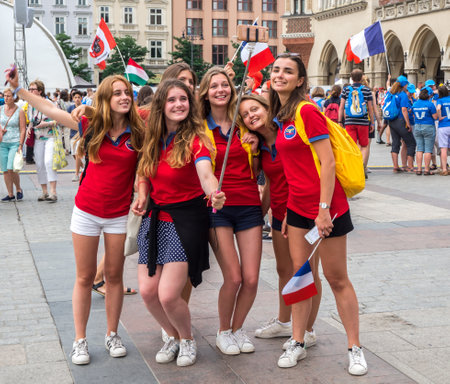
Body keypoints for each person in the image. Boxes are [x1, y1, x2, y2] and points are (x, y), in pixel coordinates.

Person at [6, 68, 145, 366]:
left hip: (119, 216)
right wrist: (18, 90)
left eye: (127, 93)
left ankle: (112, 334)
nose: (124, 97)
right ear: (106, 98)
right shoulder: (89, 124)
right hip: (86, 213)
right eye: (117, 93)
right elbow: (49, 109)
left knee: (115, 277)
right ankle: (79, 340)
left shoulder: (139, 133)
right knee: (83, 277)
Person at [268, 53, 366, 375]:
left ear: (300, 80)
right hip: (296, 209)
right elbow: (295, 169)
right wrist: (286, 214)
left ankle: (354, 348)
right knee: (302, 277)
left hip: (328, 209)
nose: (280, 75)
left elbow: (328, 163)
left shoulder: (306, 111)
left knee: (337, 279)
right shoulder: (282, 115)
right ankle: (299, 340)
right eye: (276, 70)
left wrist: (323, 211)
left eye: (288, 71)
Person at [132, 79, 225, 367]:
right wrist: (143, 193)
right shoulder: (152, 137)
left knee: (169, 295)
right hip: (155, 220)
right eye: (171, 100)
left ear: (191, 103)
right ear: (162, 105)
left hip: (185, 222)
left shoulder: (197, 138)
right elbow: (144, 170)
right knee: (148, 293)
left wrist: (214, 192)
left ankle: (186, 339)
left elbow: (205, 172)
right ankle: (173, 336)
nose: (178, 104)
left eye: (183, 99)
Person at [238, 94, 321, 350]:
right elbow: (271, 183)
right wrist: (260, 213)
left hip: (304, 212)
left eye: (255, 109)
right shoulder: (262, 145)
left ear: (266, 108)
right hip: (280, 214)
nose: (251, 115)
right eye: (245, 115)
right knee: (284, 270)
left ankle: (307, 328)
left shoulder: (289, 132)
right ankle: (285, 322)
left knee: (306, 271)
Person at [198, 67, 263, 356]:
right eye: (214, 86)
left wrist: (257, 145)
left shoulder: (245, 124)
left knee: (251, 278)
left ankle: (237, 328)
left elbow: (261, 166)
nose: (220, 90)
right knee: (234, 277)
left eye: (225, 85)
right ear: (206, 92)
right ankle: (223, 330)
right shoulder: (199, 127)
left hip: (249, 204)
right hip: (218, 207)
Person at [338, 69, 378, 178]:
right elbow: (370, 108)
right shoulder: (366, 90)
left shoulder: (346, 90)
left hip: (350, 121)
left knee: (352, 145)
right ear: (361, 78)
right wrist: (372, 123)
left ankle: (353, 168)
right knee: (364, 146)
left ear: (351, 78)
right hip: (363, 122)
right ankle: (362, 167)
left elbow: (341, 107)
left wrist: (340, 121)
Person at [26, 80, 60, 201]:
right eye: (29, 89)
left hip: (50, 136)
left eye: (33, 89)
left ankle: (53, 192)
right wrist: (29, 128)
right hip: (38, 138)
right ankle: (44, 191)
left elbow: (58, 120)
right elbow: (31, 120)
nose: (30, 91)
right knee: (39, 164)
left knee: (48, 162)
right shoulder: (30, 104)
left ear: (40, 91)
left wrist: (46, 123)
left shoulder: (49, 103)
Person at [385, 76, 416, 173]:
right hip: (400, 120)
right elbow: (404, 110)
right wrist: (408, 124)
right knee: (411, 143)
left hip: (391, 121)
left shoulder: (390, 93)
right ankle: (410, 167)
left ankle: (395, 166)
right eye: (406, 84)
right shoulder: (403, 95)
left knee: (395, 143)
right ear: (404, 85)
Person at [0, 88, 26, 201]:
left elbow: (23, 129)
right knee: (5, 170)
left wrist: (20, 144)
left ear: (14, 97)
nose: (5, 98)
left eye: (8, 96)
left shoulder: (19, 111)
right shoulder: (0, 109)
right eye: (4, 96)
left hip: (15, 142)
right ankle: (10, 194)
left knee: (11, 168)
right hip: (2, 143)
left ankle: (19, 189)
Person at [412, 87, 438, 175]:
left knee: (419, 148)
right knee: (428, 149)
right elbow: (435, 117)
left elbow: (413, 115)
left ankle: (419, 169)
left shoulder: (415, 103)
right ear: (429, 95)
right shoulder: (430, 104)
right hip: (428, 126)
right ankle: (427, 170)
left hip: (417, 126)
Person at [67, 90, 84, 182]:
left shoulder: (84, 108)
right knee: (73, 155)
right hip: (72, 133)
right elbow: (67, 118)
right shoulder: (70, 108)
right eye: (75, 97)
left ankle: (76, 174)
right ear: (73, 99)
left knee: (78, 154)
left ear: (81, 98)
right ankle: (84, 168)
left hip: (80, 134)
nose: (77, 99)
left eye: (78, 97)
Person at [436, 85, 450, 175]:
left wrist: (440, 117)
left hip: (443, 125)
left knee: (444, 149)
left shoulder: (440, 100)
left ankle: (444, 169)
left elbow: (438, 108)